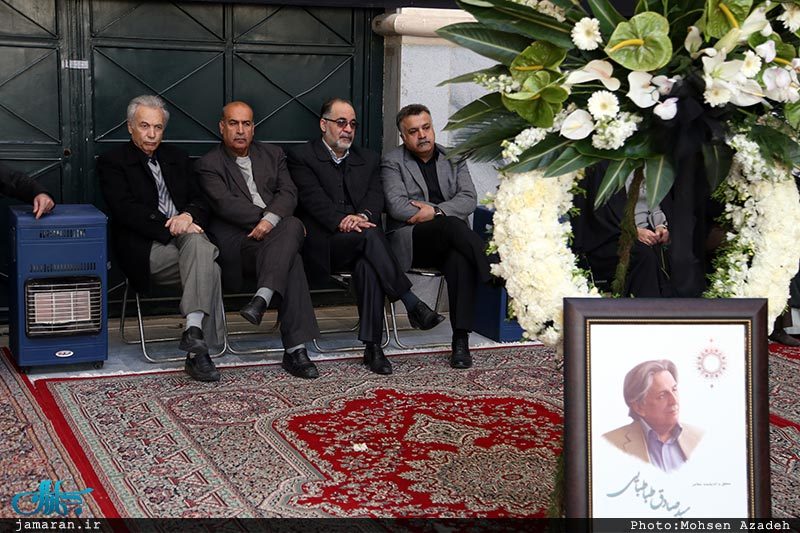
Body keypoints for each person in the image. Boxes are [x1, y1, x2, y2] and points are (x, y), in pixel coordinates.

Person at [287, 98, 444, 375]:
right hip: (324, 246)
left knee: (369, 262)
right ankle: (410, 301)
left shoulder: (368, 158)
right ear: (323, 124)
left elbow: (376, 196)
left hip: (363, 242)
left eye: (352, 124)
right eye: (341, 122)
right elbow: (312, 200)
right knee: (371, 237)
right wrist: (342, 221)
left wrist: (362, 216)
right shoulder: (302, 157)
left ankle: (373, 348)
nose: (348, 129)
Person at [97, 95, 223, 383]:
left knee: (199, 248)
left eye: (158, 127)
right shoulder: (113, 162)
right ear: (130, 127)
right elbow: (125, 210)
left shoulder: (177, 158)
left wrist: (188, 216)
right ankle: (198, 349)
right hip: (147, 249)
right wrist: (173, 226)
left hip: (187, 242)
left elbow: (201, 201)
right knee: (210, 264)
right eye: (145, 126)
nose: (152, 134)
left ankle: (194, 338)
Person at [195, 101, 321, 379]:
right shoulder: (209, 164)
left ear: (253, 128)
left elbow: (288, 192)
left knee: (291, 251)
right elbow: (226, 204)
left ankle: (262, 300)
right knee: (292, 230)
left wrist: (271, 222)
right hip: (240, 244)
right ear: (222, 127)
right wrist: (269, 221)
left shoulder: (273, 154)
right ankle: (295, 349)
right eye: (233, 123)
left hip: (274, 241)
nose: (240, 130)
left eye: (246, 124)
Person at [381, 104, 493, 369]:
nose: (422, 135)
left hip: (451, 240)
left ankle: (460, 341)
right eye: (413, 131)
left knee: (459, 258)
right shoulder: (392, 161)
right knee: (452, 224)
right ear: (403, 136)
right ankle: (490, 266)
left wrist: (435, 211)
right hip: (414, 241)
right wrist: (444, 214)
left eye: (426, 127)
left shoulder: (454, 156)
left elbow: (469, 198)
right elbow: (397, 206)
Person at [574, 165, 675, 297]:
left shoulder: (650, 165)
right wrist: (633, 232)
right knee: (643, 256)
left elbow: (653, 203)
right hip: (614, 234)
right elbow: (602, 214)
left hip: (648, 230)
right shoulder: (604, 168)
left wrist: (660, 226)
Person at [603, 359, 703, 473]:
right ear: (639, 407)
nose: (674, 401)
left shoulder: (698, 437)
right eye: (662, 396)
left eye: (674, 390)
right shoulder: (610, 444)